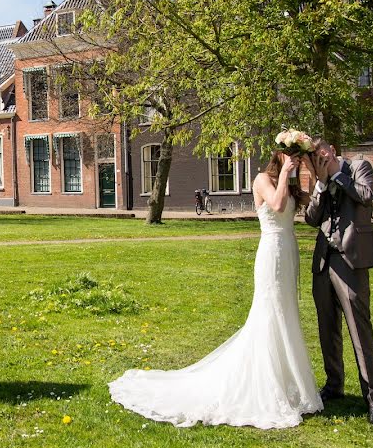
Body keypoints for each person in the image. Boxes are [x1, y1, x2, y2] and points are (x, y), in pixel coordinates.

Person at [108, 149, 323, 428]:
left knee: (288, 313)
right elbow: (278, 206)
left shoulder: (289, 182)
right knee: (271, 313)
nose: (293, 160)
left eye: (297, 155)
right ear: (279, 154)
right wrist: (284, 173)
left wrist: (309, 172)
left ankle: (289, 382)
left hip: (289, 251)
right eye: (290, 155)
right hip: (271, 251)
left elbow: (307, 205)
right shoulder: (262, 179)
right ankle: (264, 382)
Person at [306, 140, 373, 426]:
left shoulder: (358, 167)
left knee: (359, 330)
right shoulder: (318, 178)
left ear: (330, 149)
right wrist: (319, 185)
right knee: (327, 329)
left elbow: (366, 195)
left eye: (321, 154)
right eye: (315, 158)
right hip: (323, 261)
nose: (319, 160)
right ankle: (334, 385)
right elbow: (311, 218)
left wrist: (337, 176)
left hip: (350, 260)